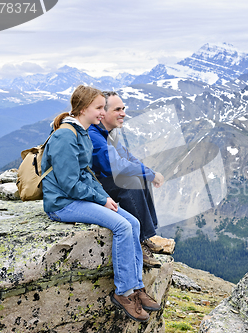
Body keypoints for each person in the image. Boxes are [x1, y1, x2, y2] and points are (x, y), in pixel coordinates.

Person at [41, 85, 161, 323]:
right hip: (62, 203)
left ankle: (136, 286)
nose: (102, 112)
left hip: (76, 197)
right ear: (84, 108)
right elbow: (68, 184)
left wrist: (104, 198)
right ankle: (124, 292)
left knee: (133, 222)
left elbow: (87, 174)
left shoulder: (82, 132)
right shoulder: (66, 136)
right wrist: (100, 198)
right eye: (99, 108)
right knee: (122, 226)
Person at [88, 91, 166, 268]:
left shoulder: (109, 133)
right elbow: (113, 166)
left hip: (102, 181)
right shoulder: (93, 134)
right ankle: (137, 242)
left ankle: (146, 236)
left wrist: (150, 173)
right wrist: (149, 174)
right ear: (102, 113)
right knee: (130, 182)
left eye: (123, 108)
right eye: (117, 109)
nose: (123, 113)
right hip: (91, 187)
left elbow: (127, 157)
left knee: (142, 177)